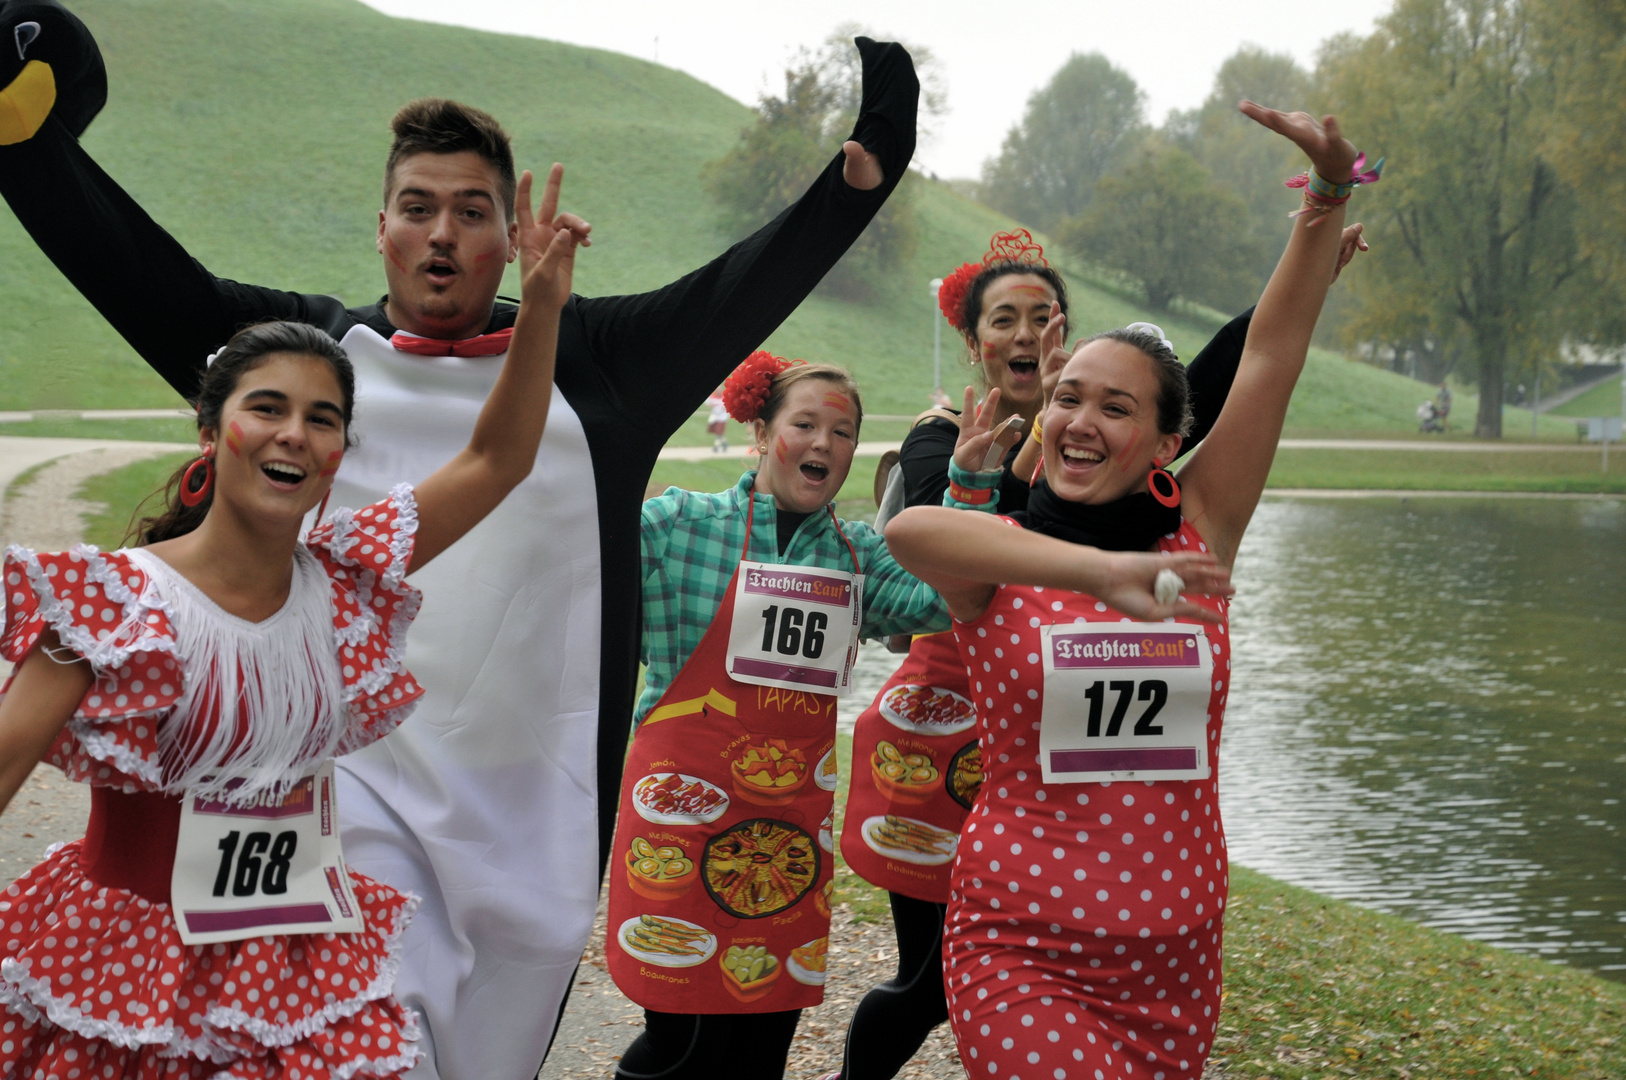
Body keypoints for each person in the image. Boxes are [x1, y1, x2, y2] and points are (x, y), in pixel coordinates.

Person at [0, 4, 919, 1075]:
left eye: (472, 210)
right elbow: (135, 272)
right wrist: (27, 147)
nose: (442, 233)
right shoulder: (312, 362)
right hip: (342, 801)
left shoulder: (600, 357)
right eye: (417, 207)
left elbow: (734, 291)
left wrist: (854, 187)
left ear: (510, 230)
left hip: (529, 822)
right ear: (381, 226)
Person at [0, 212, 578, 1077]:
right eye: (265, 408)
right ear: (210, 431)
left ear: (341, 451)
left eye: (323, 419)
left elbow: (497, 460)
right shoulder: (113, 604)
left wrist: (539, 310)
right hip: (130, 971)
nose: (294, 435)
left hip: (296, 972)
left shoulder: (344, 582)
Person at [884, 103, 1371, 1080]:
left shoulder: (1200, 529)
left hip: (1176, 957)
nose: (1078, 418)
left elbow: (1269, 356)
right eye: (1068, 395)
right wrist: (1107, 573)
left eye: (1116, 406)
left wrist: (1323, 195)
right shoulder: (1007, 552)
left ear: (1161, 442)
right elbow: (909, 530)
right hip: (1023, 945)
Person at [829, 231, 1257, 1080]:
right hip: (945, 737)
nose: (1023, 337)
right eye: (1004, 321)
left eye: (1039, 320)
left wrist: (1305, 255)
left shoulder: (1100, 439)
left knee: (937, 988)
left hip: (1048, 772)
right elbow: (934, 546)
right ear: (975, 342)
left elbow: (1205, 386)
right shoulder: (943, 436)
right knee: (925, 983)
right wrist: (999, 473)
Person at [606, 353, 957, 1080]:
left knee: (764, 1041)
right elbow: (581, 554)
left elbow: (943, 597)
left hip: (787, 837)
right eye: (805, 424)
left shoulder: (857, 556)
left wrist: (973, 485)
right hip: (677, 819)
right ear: (760, 435)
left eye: (843, 432)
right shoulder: (679, 525)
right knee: (682, 1041)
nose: (825, 444)